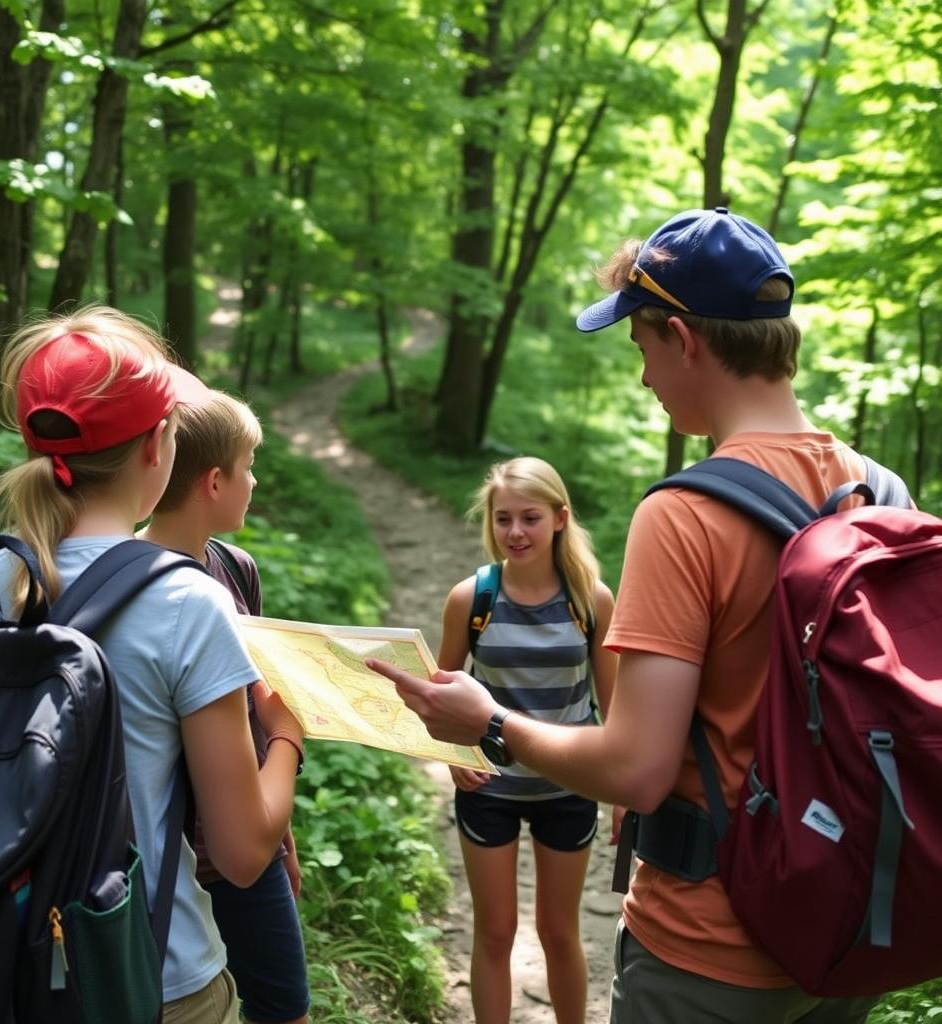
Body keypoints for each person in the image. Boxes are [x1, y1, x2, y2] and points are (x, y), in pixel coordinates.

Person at [368, 208, 880, 1023]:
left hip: (711, 946)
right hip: (846, 927)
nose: (645, 378)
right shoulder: (878, 492)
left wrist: (489, 722)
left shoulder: (686, 514)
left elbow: (637, 770)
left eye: (642, 348)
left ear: (682, 338)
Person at [0, 306, 304, 1023]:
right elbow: (244, 852)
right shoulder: (186, 601)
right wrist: (286, 735)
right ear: (158, 446)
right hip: (148, 977)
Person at [140, 390, 310, 1024]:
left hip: (246, 841)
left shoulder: (234, 569)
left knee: (283, 1006)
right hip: (176, 856)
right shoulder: (138, 583)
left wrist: (281, 834)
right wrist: (291, 733)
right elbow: (272, 721)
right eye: (249, 466)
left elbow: (250, 716)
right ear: (214, 482)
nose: (255, 481)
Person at [439, 456, 616, 1024]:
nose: (515, 532)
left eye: (530, 518)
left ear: (560, 518)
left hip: (569, 786)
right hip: (489, 787)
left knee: (559, 933)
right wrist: (451, 755)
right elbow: (440, 695)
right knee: (495, 932)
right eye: (503, 519)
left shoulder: (592, 600)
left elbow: (614, 708)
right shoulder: (472, 599)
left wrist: (622, 796)